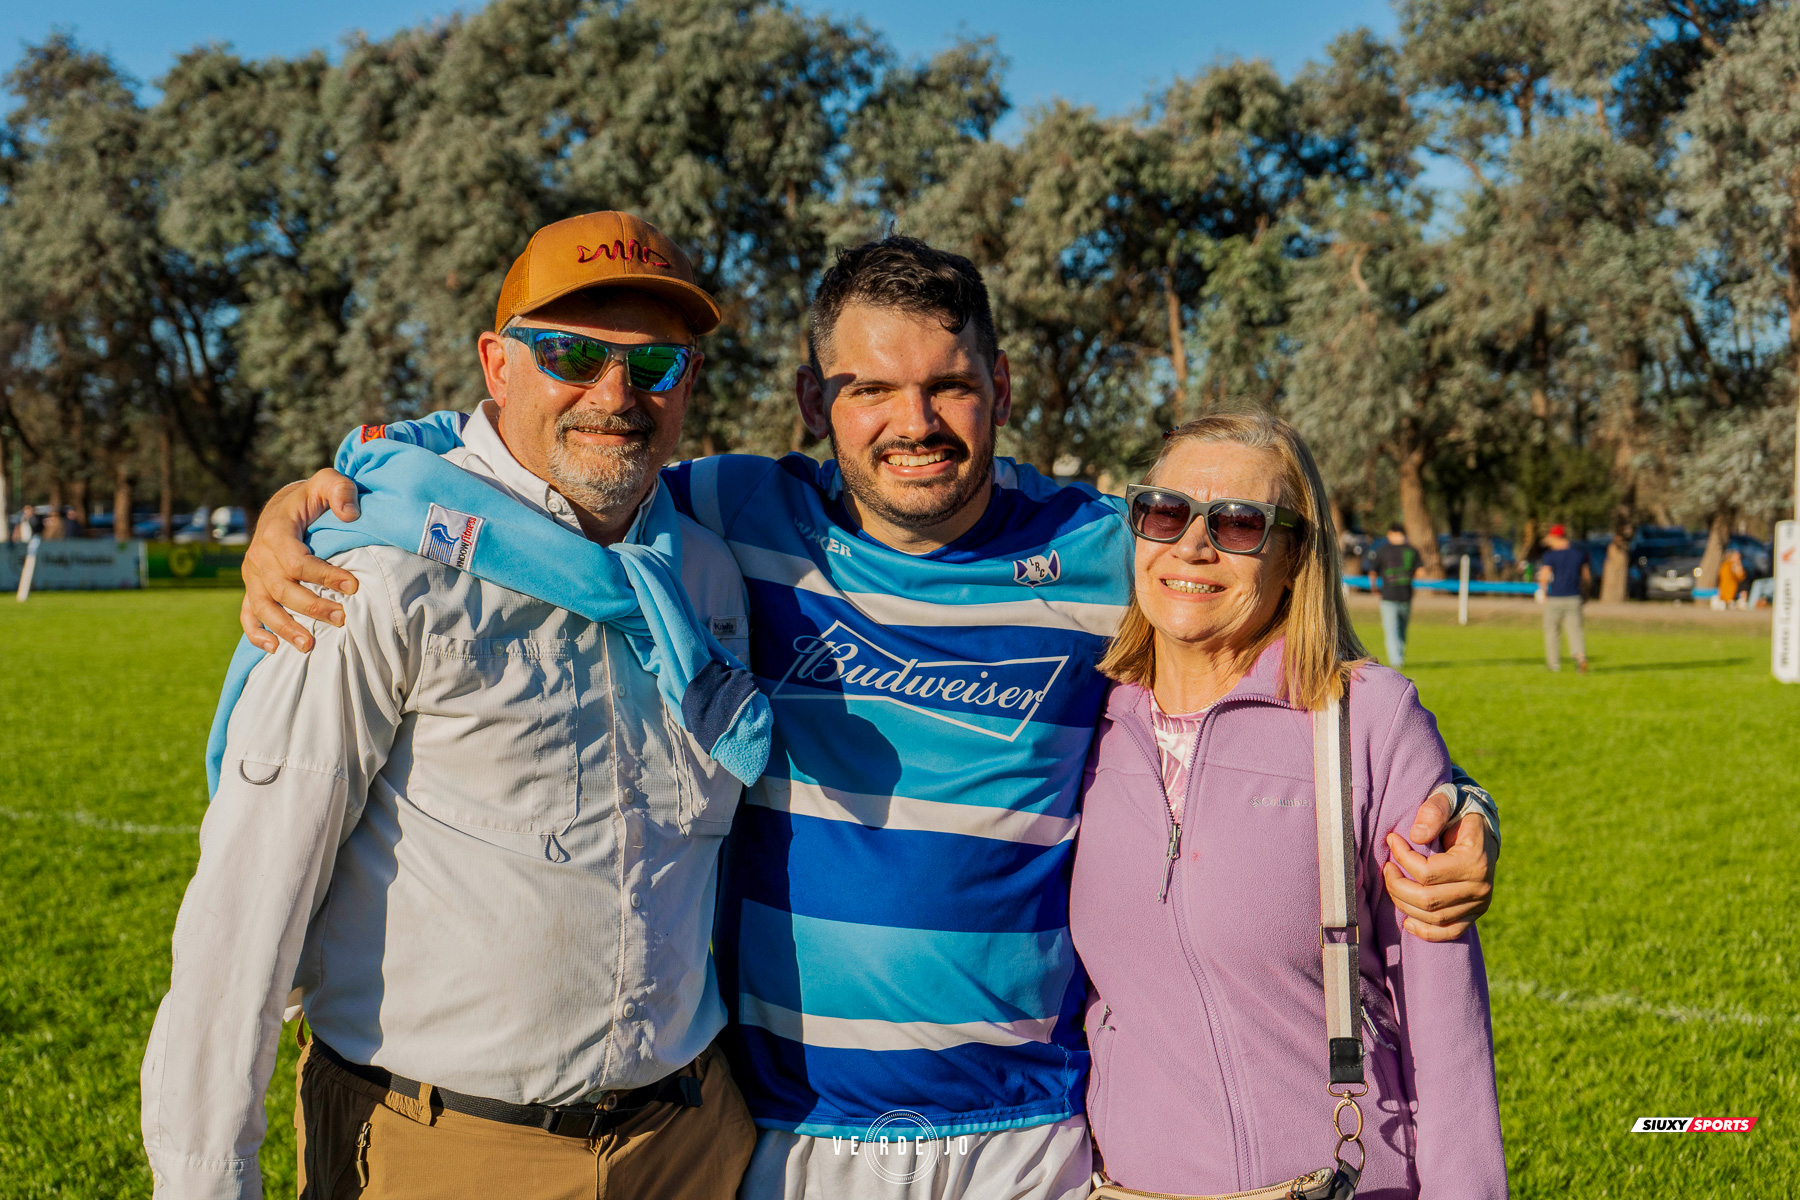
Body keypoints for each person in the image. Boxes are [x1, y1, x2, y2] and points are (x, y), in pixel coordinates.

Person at [238, 236, 1503, 1200]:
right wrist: (328, 496)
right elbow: (527, 466)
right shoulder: (727, 517)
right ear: (812, 398)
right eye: (869, 389)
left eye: (949, 386)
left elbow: (1282, 642)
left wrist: (1464, 811)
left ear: (1001, 385)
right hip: (790, 1135)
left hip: (1037, 1138)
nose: (913, 422)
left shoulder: (1108, 550)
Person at [141, 212, 762, 1199]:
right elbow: (243, 910)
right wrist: (205, 1177)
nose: (616, 396)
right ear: (497, 363)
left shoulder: (711, 575)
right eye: (570, 354)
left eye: (655, 367)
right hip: (444, 1148)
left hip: (690, 1141)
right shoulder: (378, 570)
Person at [1071, 414, 1505, 1197]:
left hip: (1337, 1182)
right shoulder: (1080, 719)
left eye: (1239, 523)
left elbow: (1449, 1034)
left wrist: (1473, 807)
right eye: (1165, 512)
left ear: (1294, 556)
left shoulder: (1368, 717)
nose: (1191, 545)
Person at [1536, 524, 1590, 673]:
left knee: (1552, 631)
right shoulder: (1579, 553)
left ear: (1555, 537)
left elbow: (1544, 575)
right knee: (1575, 630)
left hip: (1555, 598)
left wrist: (1543, 593)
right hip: (1574, 597)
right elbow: (1586, 577)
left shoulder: (1551, 555)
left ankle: (1553, 665)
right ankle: (1580, 658)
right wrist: (1585, 595)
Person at [1367, 522, 1420, 668]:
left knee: (1392, 630)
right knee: (1401, 630)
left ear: (1390, 533)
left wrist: (1374, 589)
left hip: (1388, 595)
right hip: (1406, 595)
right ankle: (1398, 659)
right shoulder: (1412, 550)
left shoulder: (1382, 550)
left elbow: (1372, 572)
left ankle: (1397, 660)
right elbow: (1421, 571)